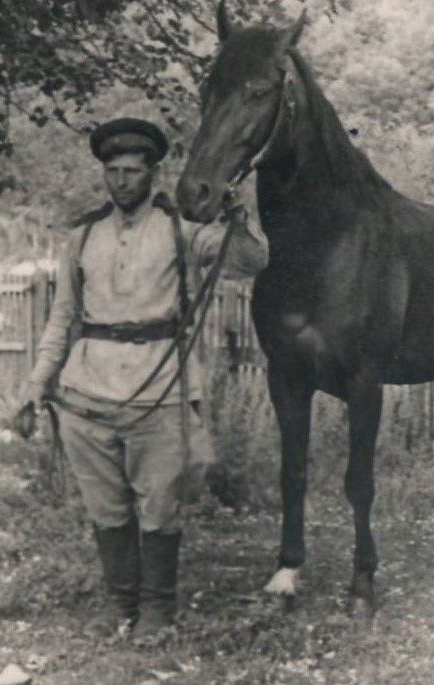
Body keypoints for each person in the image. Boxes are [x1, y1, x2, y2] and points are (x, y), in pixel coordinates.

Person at [18, 118, 267, 640]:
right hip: (86, 395)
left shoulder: (181, 230)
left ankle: (157, 611)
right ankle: (122, 606)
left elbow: (250, 261)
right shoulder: (82, 235)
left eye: (132, 171)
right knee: (106, 509)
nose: (122, 181)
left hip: (159, 393)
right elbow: (62, 318)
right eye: (113, 171)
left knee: (159, 508)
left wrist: (237, 216)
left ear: (153, 174)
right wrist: (38, 383)